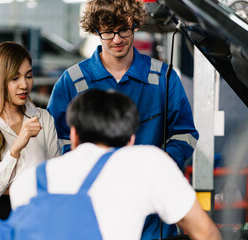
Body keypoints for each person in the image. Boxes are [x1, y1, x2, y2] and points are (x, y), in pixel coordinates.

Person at [46, 0, 199, 238]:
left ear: (135, 24)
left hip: (151, 221)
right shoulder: (72, 81)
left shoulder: (163, 78)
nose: (117, 39)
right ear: (95, 29)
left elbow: (185, 134)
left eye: (124, 29)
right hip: (92, 213)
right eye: (107, 31)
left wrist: (159, 167)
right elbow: (56, 139)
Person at [9, 89, 221, 240]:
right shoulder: (149, 163)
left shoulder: (28, 182)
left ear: (73, 135)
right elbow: (206, 233)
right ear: (131, 139)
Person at [0, 41, 60, 240]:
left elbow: (55, 178)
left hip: (36, 214)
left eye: (28, 75)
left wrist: (7, 183)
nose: (24, 85)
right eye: (15, 78)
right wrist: (17, 147)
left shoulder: (43, 119)